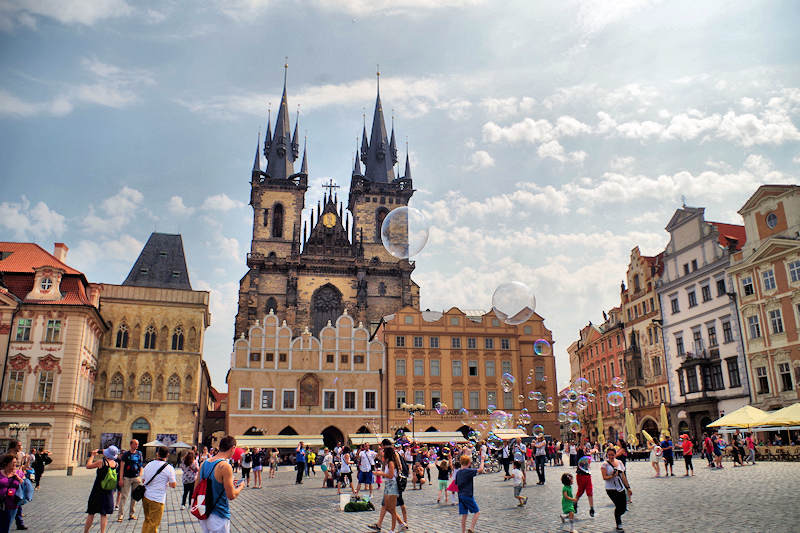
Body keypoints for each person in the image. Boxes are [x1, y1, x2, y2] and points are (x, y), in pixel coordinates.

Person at [197, 436, 245, 533]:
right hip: (219, 514)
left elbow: (196, 488)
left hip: (204, 512)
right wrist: (240, 487)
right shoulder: (225, 466)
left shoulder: (204, 464)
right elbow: (231, 495)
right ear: (233, 448)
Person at [368, 444, 408, 533]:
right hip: (388, 485)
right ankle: (401, 524)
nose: (382, 453)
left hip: (392, 485)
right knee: (387, 507)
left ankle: (393, 529)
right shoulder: (386, 462)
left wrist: (379, 474)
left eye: (384, 452)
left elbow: (390, 475)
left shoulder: (391, 462)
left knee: (391, 508)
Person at [140, 445, 177, 533]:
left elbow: (143, 480)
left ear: (157, 454)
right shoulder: (169, 468)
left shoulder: (149, 464)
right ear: (167, 455)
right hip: (157, 499)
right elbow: (173, 485)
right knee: (154, 524)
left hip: (146, 496)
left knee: (147, 520)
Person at [84, 446, 118, 533]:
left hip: (97, 490)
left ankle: (86, 532)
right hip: (108, 491)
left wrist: (92, 455)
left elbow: (88, 466)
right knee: (104, 514)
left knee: (91, 513)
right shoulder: (115, 463)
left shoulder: (101, 462)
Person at [601, 447, 631, 532]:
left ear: (615, 454)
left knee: (623, 507)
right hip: (610, 488)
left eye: (612, 455)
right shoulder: (604, 464)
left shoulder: (620, 462)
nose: (611, 456)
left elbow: (623, 476)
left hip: (620, 487)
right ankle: (619, 523)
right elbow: (604, 477)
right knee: (618, 506)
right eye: (609, 455)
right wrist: (612, 476)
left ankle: (618, 518)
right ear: (607, 455)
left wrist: (628, 487)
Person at [456, 453, 485, 533]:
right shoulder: (468, 471)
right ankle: (471, 529)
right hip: (467, 495)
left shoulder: (458, 472)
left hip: (460, 496)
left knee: (464, 516)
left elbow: (456, 484)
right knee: (477, 512)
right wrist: (482, 460)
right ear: (469, 463)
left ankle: (463, 532)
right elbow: (480, 470)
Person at [117, 439, 143, 523]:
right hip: (127, 477)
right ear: (131, 444)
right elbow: (122, 467)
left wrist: (140, 476)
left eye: (137, 444)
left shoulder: (139, 454)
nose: (137, 446)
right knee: (124, 496)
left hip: (136, 477)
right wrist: (121, 478)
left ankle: (131, 514)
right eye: (135, 444)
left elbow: (141, 465)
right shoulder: (126, 454)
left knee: (134, 497)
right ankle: (120, 515)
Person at [0, 453, 22, 533]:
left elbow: (26, 486)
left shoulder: (19, 473)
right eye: (13, 462)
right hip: (1, 503)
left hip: (12, 505)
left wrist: (19, 479)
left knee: (6, 527)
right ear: (6, 463)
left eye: (16, 462)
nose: (15, 464)